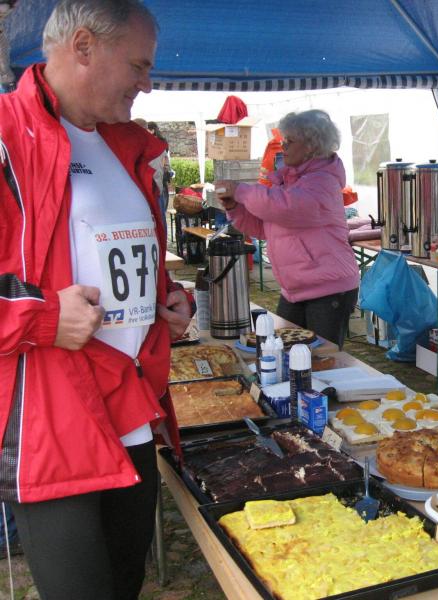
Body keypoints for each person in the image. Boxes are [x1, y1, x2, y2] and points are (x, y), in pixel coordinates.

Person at [0, 1, 191, 598]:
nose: (147, 84)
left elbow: (122, 255)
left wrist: (168, 300)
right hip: (50, 422)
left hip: (131, 409)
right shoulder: (6, 136)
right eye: (139, 65)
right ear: (83, 46)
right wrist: (44, 319)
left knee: (125, 583)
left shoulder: (126, 145)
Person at [215, 109, 360, 349]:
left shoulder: (322, 182)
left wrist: (240, 190)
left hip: (328, 289)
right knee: (284, 352)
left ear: (311, 146)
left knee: (321, 358)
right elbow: (264, 228)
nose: (283, 147)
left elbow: (286, 208)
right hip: (295, 288)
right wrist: (235, 209)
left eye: (289, 141)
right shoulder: (289, 181)